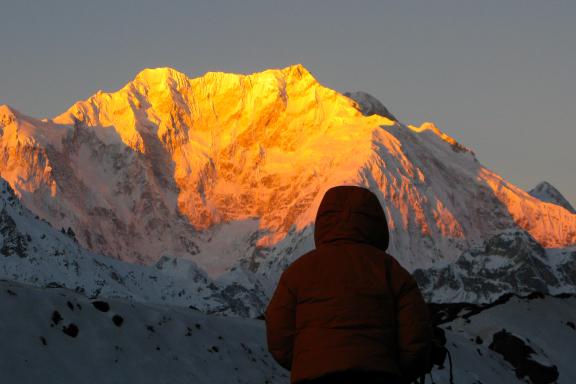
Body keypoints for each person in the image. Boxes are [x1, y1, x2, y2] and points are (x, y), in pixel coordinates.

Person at [265, 185, 432, 384]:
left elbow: (278, 335)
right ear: (376, 223)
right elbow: (415, 337)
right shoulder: (391, 271)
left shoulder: (298, 272)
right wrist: (396, 369)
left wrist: (307, 362)